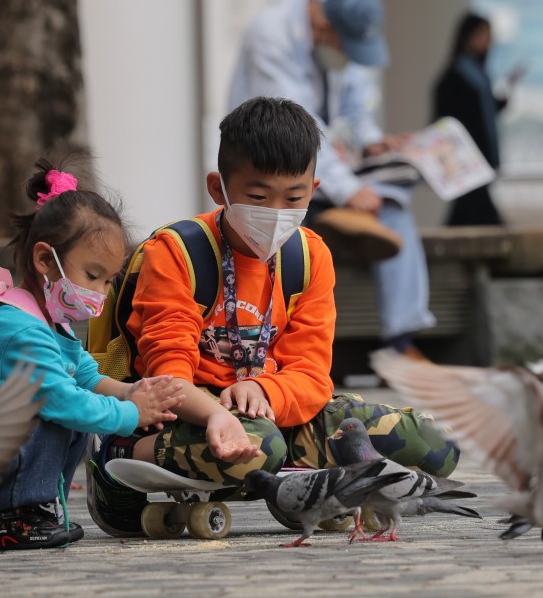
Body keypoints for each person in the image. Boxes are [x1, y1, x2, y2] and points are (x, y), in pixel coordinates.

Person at [85, 97, 460, 537]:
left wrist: (262, 386)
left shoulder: (309, 255)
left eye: (294, 197)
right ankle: (119, 459)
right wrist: (217, 413)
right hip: (188, 414)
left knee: (433, 445)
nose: (277, 212)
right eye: (259, 197)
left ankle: (302, 491)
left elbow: (312, 374)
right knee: (262, 446)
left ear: (314, 191)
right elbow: (169, 378)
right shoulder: (177, 253)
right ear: (218, 188)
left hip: (272, 408)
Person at [0, 159, 184, 551]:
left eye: (109, 281)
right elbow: (62, 399)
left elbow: (85, 375)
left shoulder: (49, 321)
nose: (102, 294)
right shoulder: (21, 329)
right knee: (60, 411)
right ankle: (8, 517)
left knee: (73, 403)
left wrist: (135, 391)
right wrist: (131, 416)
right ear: (44, 261)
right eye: (92, 276)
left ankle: (29, 509)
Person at [227, 0, 436, 359]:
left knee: (394, 204)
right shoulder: (270, 35)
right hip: (275, 169)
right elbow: (297, 128)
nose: (348, 59)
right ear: (324, 28)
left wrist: (373, 142)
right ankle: (342, 218)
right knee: (281, 236)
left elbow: (354, 107)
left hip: (322, 177)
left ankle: (400, 339)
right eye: (345, 48)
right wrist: (347, 191)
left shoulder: (334, 45)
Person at [433, 12, 522, 226]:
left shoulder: (477, 74)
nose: (487, 42)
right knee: (482, 217)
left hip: (479, 160)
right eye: (482, 35)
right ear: (467, 36)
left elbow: (487, 111)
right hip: (467, 160)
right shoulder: (456, 74)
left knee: (465, 216)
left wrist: (507, 90)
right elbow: (450, 118)